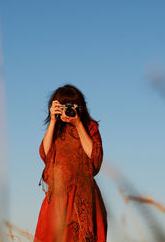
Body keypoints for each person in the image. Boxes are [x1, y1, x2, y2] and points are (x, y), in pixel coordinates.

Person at [34, 84, 107, 242]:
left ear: (81, 107)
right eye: (63, 106)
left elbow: (96, 158)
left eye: (72, 105)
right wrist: (52, 121)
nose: (68, 109)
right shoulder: (56, 130)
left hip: (85, 196)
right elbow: (45, 155)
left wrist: (79, 125)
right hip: (58, 197)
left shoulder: (90, 127)